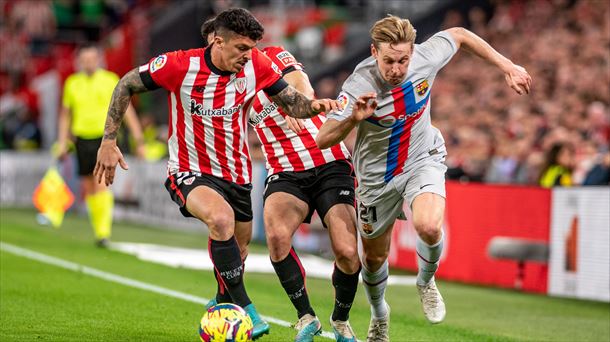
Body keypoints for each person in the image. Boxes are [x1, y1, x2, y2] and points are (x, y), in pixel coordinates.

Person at [93, 8, 340, 340]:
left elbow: (292, 101)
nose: (247, 56)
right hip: (190, 169)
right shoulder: (179, 65)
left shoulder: (257, 65)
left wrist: (315, 107)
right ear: (217, 41)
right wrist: (109, 140)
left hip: (237, 173)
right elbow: (126, 84)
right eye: (241, 48)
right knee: (220, 220)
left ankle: (223, 305)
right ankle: (248, 310)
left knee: (237, 252)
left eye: (252, 48)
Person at [316, 15, 531, 341]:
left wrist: (508, 67)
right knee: (373, 258)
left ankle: (426, 281)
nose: (397, 68)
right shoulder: (360, 85)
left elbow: (460, 35)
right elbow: (322, 138)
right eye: (389, 60)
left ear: (412, 52)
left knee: (429, 226)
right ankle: (379, 315)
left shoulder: (426, 56)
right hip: (376, 179)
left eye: (403, 59)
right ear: (374, 53)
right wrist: (353, 120)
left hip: (422, 159)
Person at [199, 19, 361, 341]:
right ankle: (306, 317)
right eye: (212, 46)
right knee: (276, 237)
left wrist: (295, 103)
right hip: (283, 170)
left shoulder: (273, 56)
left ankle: (340, 320)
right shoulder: (224, 86)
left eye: (222, 42)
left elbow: (301, 82)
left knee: (346, 251)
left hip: (327, 160)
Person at [57, 44, 145, 247]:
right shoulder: (72, 83)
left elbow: (127, 110)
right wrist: (62, 141)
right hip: (81, 140)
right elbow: (65, 115)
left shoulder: (110, 80)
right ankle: (99, 229)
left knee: (101, 183)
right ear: (79, 62)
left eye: (92, 58)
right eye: (84, 59)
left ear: (98, 60)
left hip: (104, 139)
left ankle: (103, 233)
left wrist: (138, 139)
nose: (88, 63)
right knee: (87, 187)